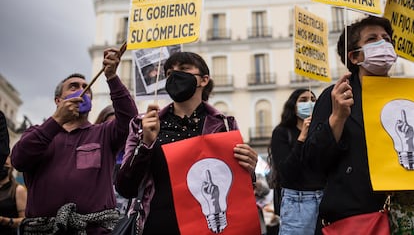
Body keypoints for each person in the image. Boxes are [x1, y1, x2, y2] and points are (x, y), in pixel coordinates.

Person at [115, 51, 258, 235]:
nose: (174, 75)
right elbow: (125, 187)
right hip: (159, 226)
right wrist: (145, 144)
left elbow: (237, 184)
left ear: (204, 80)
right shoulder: (143, 124)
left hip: (207, 228)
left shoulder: (224, 125)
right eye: (169, 73)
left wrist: (250, 169)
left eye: (183, 69)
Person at [11, 46, 138, 234]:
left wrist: (112, 77)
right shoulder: (38, 133)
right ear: (58, 101)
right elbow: (19, 159)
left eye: (86, 89)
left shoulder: (104, 133)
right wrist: (58, 120)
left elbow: (131, 120)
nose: (82, 90)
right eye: (73, 87)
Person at [302, 16, 398, 234]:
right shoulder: (335, 96)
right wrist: (337, 118)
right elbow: (312, 162)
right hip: (355, 218)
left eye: (387, 39)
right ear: (354, 57)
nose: (383, 44)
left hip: (404, 214)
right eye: (372, 39)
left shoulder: (405, 97)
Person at [270, 88, 325, 235]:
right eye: (303, 100)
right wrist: (301, 138)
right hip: (297, 203)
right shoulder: (281, 133)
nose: (309, 103)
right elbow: (286, 171)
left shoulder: (321, 132)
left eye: (313, 100)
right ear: (293, 106)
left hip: (323, 200)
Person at [0, 156, 27, 234]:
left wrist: (4, 220)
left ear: (11, 167)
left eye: (5, 164)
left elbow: (24, 221)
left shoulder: (18, 190)